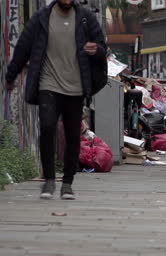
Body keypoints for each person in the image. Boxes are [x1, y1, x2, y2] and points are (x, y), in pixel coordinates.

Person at [5, 0, 107, 200]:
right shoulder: (41, 17)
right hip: (48, 84)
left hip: (75, 87)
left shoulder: (85, 18)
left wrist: (97, 50)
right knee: (48, 126)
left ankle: (67, 183)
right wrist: (11, 75)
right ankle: (49, 180)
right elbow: (23, 47)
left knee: (72, 135)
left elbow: (102, 48)